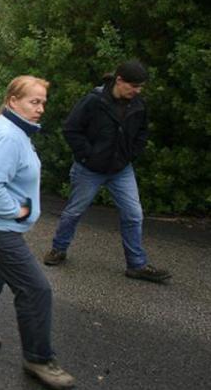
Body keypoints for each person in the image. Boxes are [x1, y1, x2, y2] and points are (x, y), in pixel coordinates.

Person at [0, 76, 75, 390]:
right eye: (34, 101)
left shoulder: (15, 130)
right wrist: (17, 210)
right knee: (35, 290)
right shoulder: (8, 136)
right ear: (12, 101)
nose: (41, 108)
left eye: (43, 102)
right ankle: (38, 359)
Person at [43, 60, 171, 283]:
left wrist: (130, 155)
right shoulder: (94, 101)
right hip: (89, 169)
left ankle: (136, 265)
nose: (138, 91)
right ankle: (58, 249)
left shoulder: (138, 104)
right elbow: (71, 129)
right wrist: (87, 155)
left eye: (140, 87)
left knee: (133, 214)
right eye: (134, 86)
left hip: (121, 169)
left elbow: (142, 133)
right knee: (74, 212)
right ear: (119, 80)